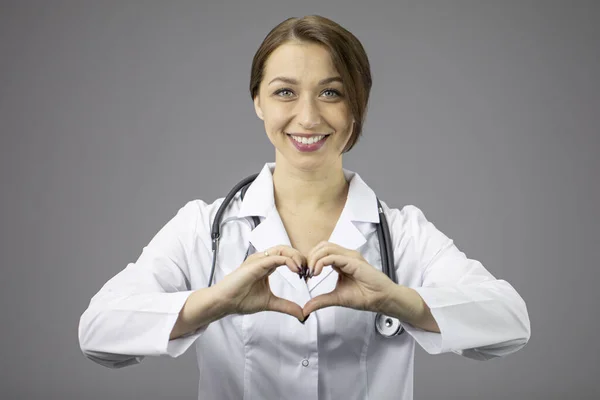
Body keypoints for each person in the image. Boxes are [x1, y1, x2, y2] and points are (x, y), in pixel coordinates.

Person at [78, 15, 531, 400]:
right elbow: (97, 333)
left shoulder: (403, 234)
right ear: (257, 101)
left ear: (357, 105)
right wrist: (213, 303)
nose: (309, 117)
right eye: (284, 92)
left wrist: (395, 300)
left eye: (331, 92)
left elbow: (510, 322)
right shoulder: (204, 229)